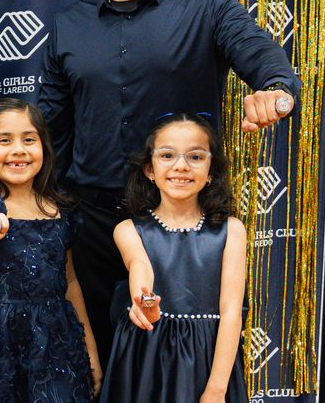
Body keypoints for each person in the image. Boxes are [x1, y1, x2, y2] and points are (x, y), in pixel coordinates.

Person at [35, 0, 300, 361]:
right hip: (91, 223)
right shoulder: (68, 23)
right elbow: (48, 127)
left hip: (181, 222)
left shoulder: (211, 8)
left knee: (179, 365)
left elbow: (269, 65)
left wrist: (276, 95)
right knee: (100, 365)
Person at [0, 97, 100, 402]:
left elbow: (69, 282)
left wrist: (91, 352)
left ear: (44, 146)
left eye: (29, 139)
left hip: (56, 342)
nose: (18, 149)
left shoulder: (60, 208)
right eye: (4, 140)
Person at [101, 113, 246, 403]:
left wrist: (217, 389)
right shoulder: (129, 230)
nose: (181, 166)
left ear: (212, 171)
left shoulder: (231, 230)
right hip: (147, 359)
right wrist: (144, 300)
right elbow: (139, 266)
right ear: (149, 169)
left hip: (209, 358)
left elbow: (231, 311)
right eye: (167, 155)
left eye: (195, 157)